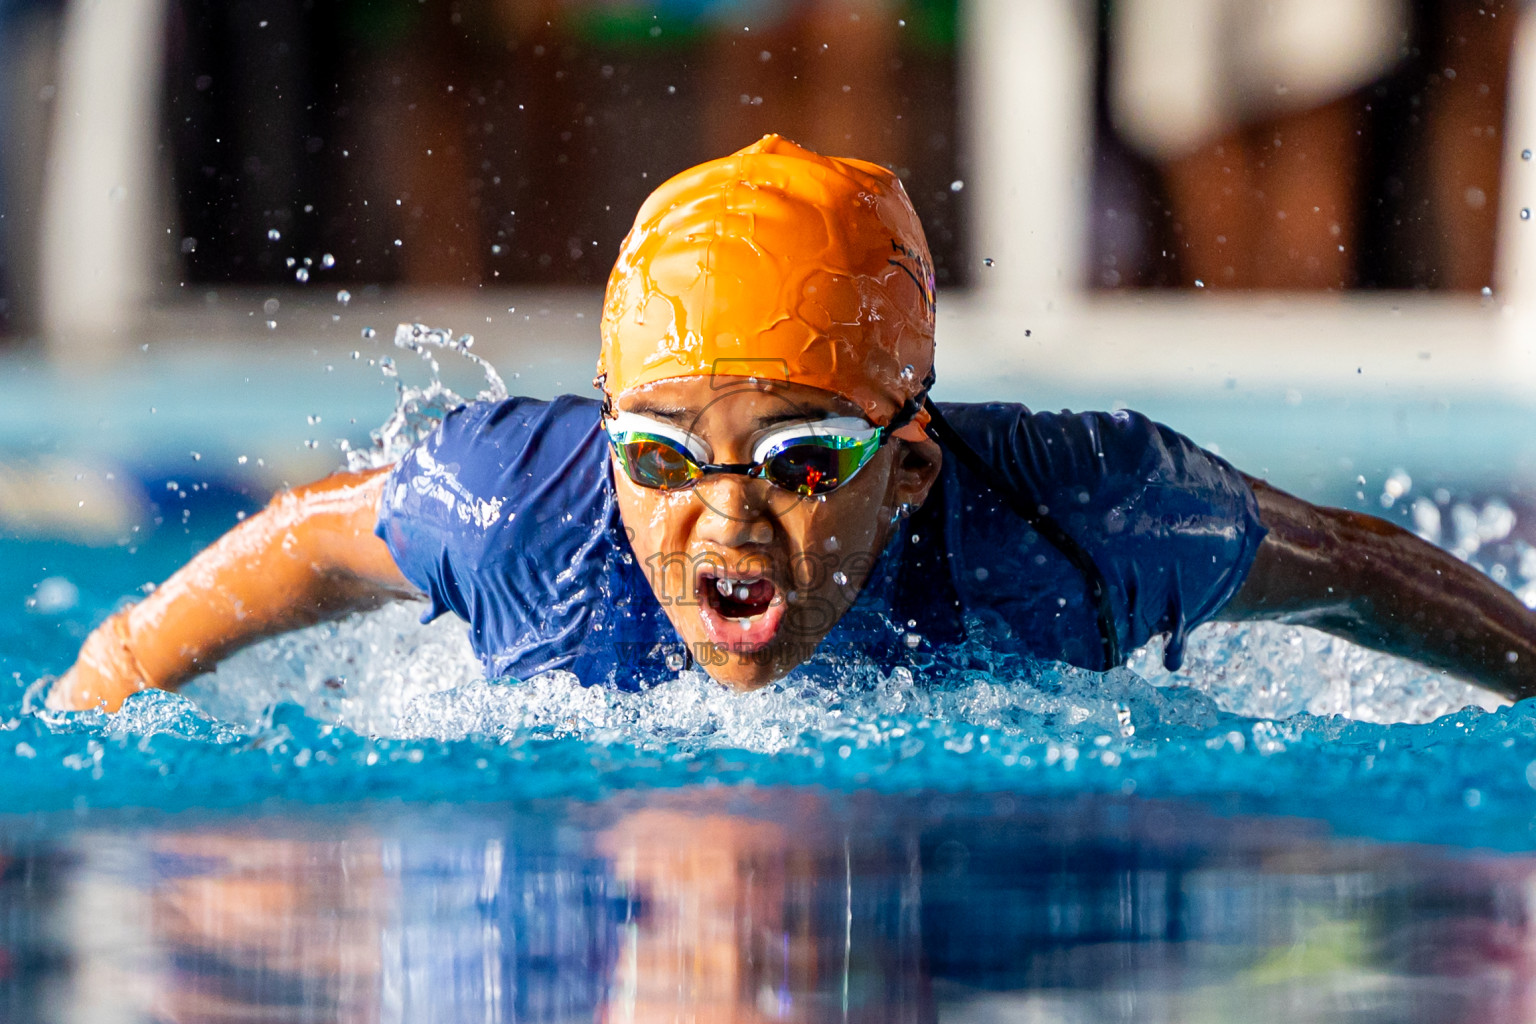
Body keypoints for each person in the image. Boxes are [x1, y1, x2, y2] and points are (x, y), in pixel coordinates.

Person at [49, 135, 1536, 712]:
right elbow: (304, 549)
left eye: (803, 460)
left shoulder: (1080, 523)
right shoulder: (520, 514)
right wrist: (86, 702)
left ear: (910, 466)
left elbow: (1348, 563)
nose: (725, 516)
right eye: (659, 459)